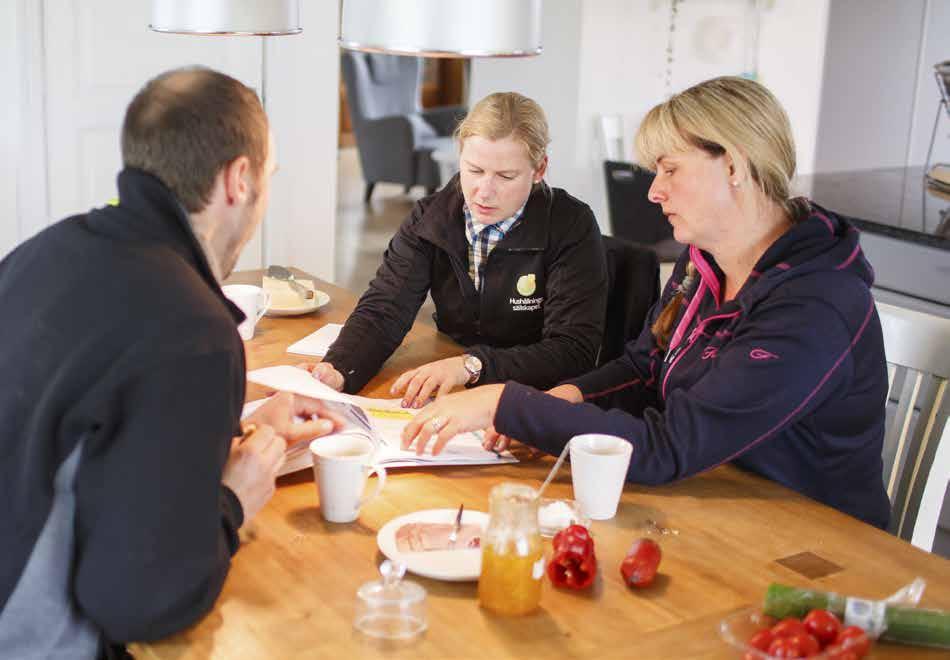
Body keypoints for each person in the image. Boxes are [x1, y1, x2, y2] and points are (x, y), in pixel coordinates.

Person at [400, 76, 891, 529]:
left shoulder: (813, 307)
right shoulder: (705, 261)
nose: (654, 191)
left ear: (735, 165)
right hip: (714, 496)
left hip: (810, 539)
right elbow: (645, 366)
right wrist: (563, 399)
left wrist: (508, 403)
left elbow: (668, 446)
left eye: (670, 169)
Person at [0, 67, 341, 658]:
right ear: (239, 179)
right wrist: (233, 500)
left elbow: (76, 418)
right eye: (269, 178)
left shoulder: (41, 252)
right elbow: (138, 603)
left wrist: (226, 428)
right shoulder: (194, 331)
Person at [310, 92, 608, 407]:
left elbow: (573, 350)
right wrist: (338, 368)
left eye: (506, 176)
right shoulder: (430, 219)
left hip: (534, 397)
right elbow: (385, 309)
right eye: (474, 170)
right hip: (456, 386)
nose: (484, 191)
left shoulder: (572, 224)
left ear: (539, 169)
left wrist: (471, 365)